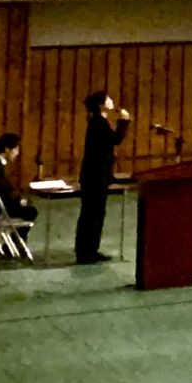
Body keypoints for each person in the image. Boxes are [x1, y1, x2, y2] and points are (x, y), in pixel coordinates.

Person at [75, 91, 130, 265]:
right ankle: (85, 253)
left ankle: (91, 249)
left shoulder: (99, 121)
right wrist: (124, 121)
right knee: (91, 215)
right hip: (95, 177)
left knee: (96, 214)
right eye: (108, 99)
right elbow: (115, 140)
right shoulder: (98, 122)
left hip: (97, 176)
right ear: (101, 105)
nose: (111, 100)